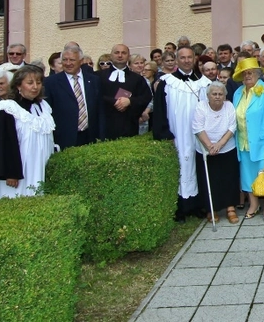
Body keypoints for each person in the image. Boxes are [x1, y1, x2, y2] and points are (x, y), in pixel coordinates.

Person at [0, 65, 56, 202]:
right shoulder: (8, 109)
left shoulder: (42, 106)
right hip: (18, 170)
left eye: (38, 83)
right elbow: (2, 143)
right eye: (30, 83)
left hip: (37, 166)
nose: (35, 87)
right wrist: (11, 173)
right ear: (18, 86)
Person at [153, 46, 211, 222]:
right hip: (178, 132)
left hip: (200, 134)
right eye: (182, 58)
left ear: (194, 59)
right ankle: (180, 208)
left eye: (189, 57)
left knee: (199, 165)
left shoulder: (204, 82)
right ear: (177, 60)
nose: (186, 60)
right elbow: (159, 110)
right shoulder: (167, 82)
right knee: (181, 166)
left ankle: (197, 205)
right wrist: (164, 133)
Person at [232, 57, 264, 221]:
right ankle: (253, 204)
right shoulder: (237, 92)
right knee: (247, 175)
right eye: (244, 74)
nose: (247, 76)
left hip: (263, 142)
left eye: (250, 73)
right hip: (243, 141)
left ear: (258, 74)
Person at [192, 81, 240, 224]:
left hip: (226, 147)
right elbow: (198, 128)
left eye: (220, 94)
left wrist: (219, 145)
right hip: (205, 149)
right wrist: (209, 146)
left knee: (228, 178)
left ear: (225, 96)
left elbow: (232, 126)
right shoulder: (201, 107)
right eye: (214, 94)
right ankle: (211, 209)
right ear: (208, 95)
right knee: (209, 180)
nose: (217, 97)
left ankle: (230, 208)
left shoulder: (229, 106)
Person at [43, 44, 100, 150]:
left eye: (72, 60)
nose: (68, 63)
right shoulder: (51, 82)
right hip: (64, 138)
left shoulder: (94, 80)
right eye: (65, 60)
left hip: (90, 136)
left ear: (81, 61)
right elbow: (47, 111)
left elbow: (99, 109)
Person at [99, 44, 152, 141]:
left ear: (128, 56)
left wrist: (130, 101)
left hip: (128, 126)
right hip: (104, 126)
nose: (120, 55)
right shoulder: (99, 76)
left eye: (123, 53)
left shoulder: (137, 79)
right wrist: (113, 102)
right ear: (111, 56)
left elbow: (146, 97)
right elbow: (95, 96)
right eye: (117, 52)